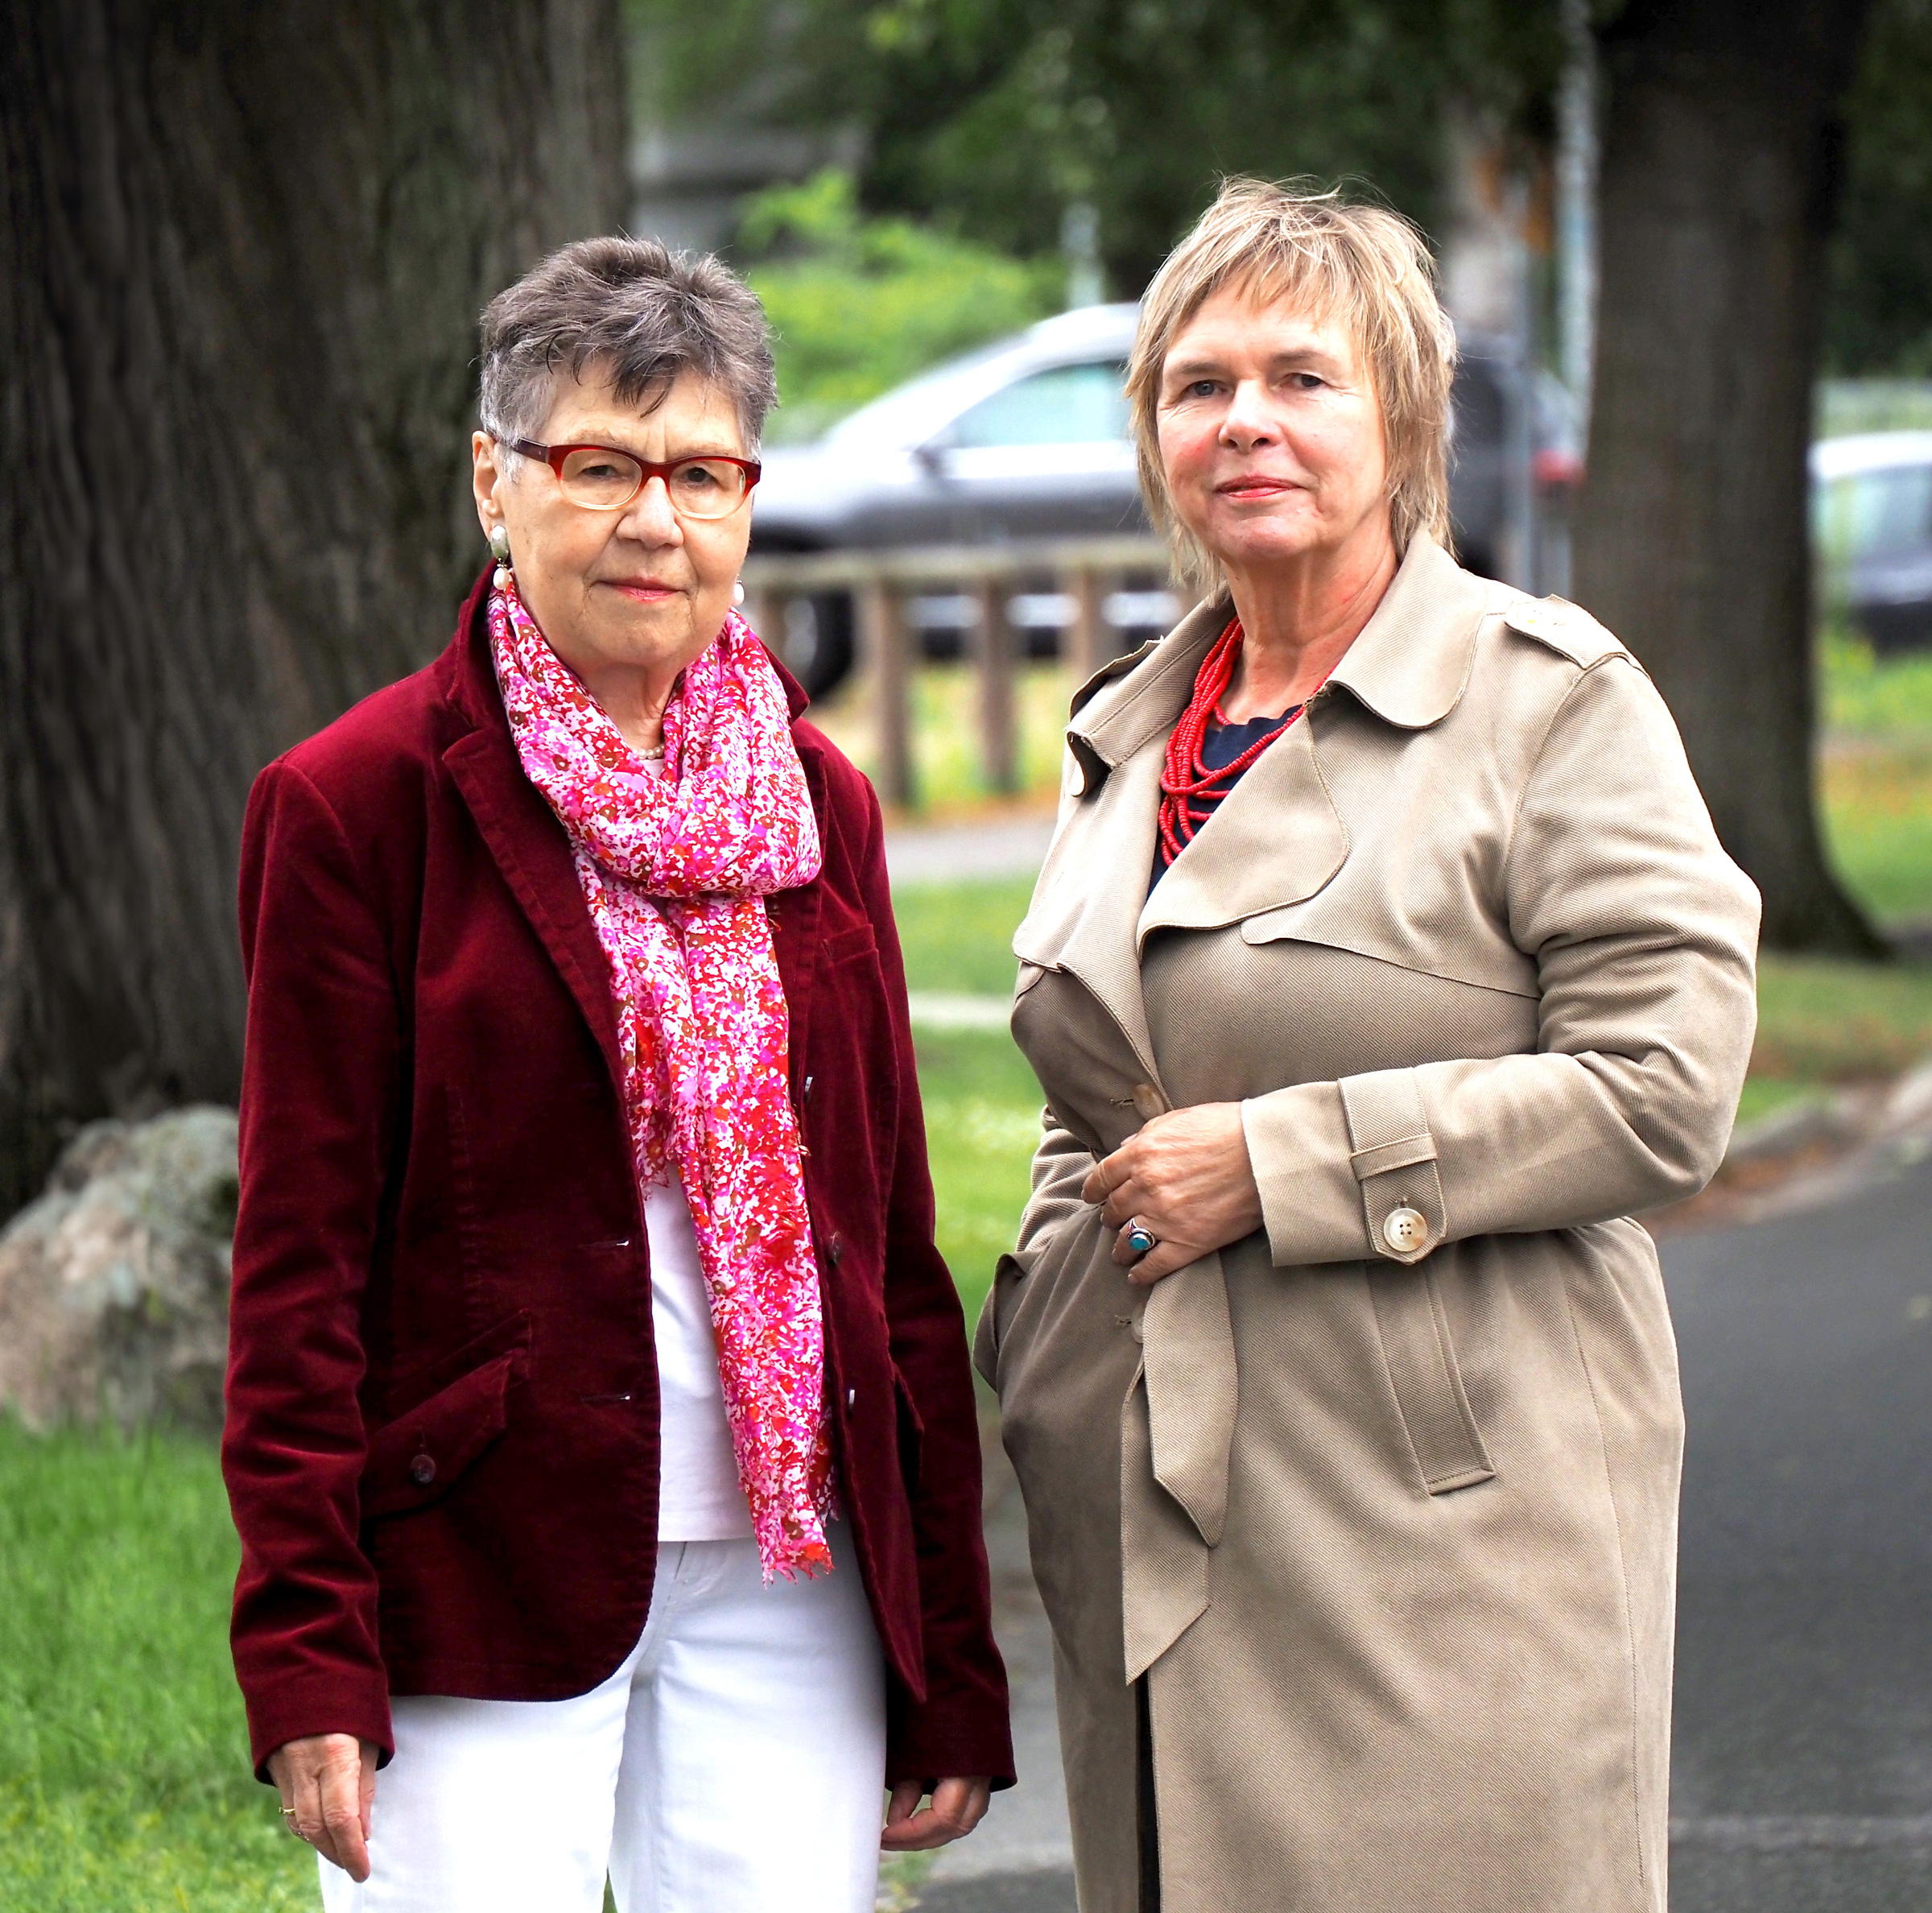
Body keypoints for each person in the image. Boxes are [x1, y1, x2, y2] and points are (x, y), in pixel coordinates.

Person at [976, 178, 1760, 1913]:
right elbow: (1095, 1083)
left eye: (1303, 378)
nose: (1245, 419)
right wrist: (1049, 1331)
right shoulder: (1128, 731)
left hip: (1448, 1539)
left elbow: (1664, 1090)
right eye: (1198, 384)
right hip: (1157, 1514)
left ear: (1403, 420)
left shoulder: (1550, 700)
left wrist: (1276, 1168)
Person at [222, 236, 1009, 1913]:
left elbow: (890, 1249)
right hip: (485, 1559)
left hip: (796, 1565)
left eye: (703, 472)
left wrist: (948, 1646)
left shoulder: (820, 805)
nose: (656, 519)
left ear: (746, 500)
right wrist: (307, 1650)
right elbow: (297, 1272)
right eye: (601, 465)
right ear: (495, 489)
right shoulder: (358, 807)